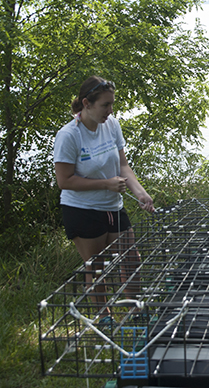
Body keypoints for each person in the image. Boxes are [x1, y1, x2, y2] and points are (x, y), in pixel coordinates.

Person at [54, 76, 155, 326]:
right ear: (86, 103)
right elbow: (64, 180)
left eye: (112, 105)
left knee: (131, 258)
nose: (110, 111)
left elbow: (123, 166)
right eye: (105, 105)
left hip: (113, 206)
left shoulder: (111, 125)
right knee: (97, 266)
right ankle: (104, 317)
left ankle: (134, 310)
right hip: (82, 209)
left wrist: (140, 192)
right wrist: (106, 184)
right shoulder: (69, 136)